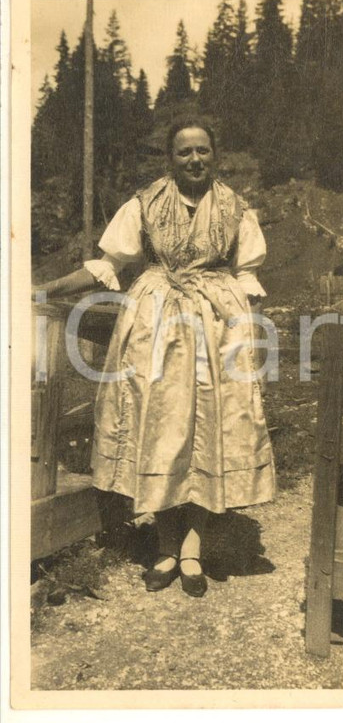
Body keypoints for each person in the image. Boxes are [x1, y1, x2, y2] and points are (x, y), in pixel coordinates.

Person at [33, 120, 276, 597]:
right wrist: (46, 289)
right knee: (160, 428)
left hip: (216, 326)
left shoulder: (236, 210)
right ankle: (165, 544)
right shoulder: (143, 205)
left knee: (209, 430)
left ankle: (192, 549)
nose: (194, 160)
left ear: (215, 155)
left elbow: (249, 282)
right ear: (171, 158)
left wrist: (253, 346)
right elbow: (106, 265)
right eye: (184, 152)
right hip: (154, 323)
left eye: (203, 151)